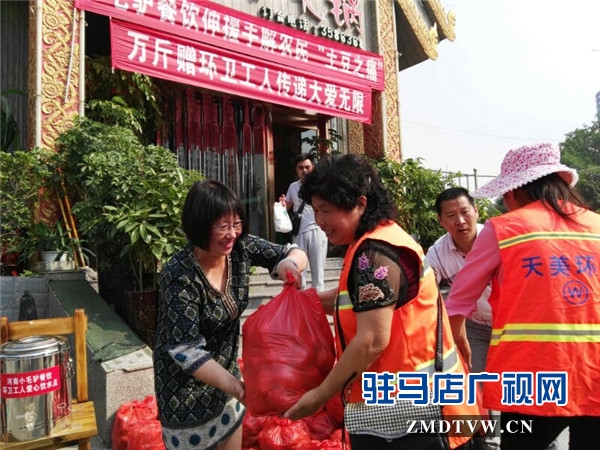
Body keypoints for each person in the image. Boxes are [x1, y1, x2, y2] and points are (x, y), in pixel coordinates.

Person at [283, 154, 478, 450]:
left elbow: (372, 340)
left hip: (412, 416)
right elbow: (359, 301)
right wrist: (302, 301)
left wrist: (320, 395)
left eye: (327, 210)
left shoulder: (374, 255)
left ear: (360, 203)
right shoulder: (377, 239)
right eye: (316, 211)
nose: (320, 221)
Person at [445, 143, 600, 450]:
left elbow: (458, 300)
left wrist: (460, 351)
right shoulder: (596, 225)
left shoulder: (504, 228)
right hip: (594, 371)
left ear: (515, 191)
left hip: (532, 374)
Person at [153, 180, 307, 450]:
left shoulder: (240, 248)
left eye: (236, 224)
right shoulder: (179, 274)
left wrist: (289, 265)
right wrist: (237, 387)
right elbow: (185, 350)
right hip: (185, 393)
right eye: (222, 226)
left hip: (228, 378)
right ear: (199, 225)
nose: (232, 234)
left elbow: (292, 251)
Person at [425, 187, 498, 450]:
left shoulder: (498, 238)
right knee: (476, 383)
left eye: (465, 212)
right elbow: (425, 288)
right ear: (440, 221)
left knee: (519, 387)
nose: (460, 221)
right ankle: (487, 442)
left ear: (477, 211)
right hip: (474, 327)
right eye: (451, 215)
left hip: (510, 324)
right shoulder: (438, 252)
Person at [279, 153, 328, 291]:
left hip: (318, 230)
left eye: (307, 167)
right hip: (299, 233)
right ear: (296, 170)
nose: (304, 170)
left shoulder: (321, 186)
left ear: (313, 167)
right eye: (301, 168)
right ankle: (301, 302)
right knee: (299, 273)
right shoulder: (293, 187)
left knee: (318, 274)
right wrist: (282, 205)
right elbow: (286, 208)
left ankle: (318, 302)